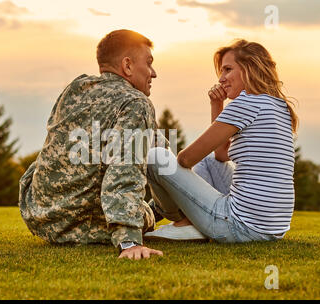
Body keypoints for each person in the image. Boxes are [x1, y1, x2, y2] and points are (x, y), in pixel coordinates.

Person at [19, 29, 165, 260]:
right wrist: (128, 241)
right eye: (148, 63)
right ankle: (163, 212)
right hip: (80, 227)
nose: (153, 73)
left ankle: (158, 209)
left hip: (41, 218)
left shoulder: (76, 88)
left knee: (158, 158)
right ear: (127, 66)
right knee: (146, 213)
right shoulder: (136, 102)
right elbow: (124, 170)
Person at [144, 39, 298, 243]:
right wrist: (216, 104)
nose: (222, 78)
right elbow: (221, 155)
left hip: (238, 226)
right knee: (209, 162)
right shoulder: (279, 106)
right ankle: (188, 222)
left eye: (228, 69)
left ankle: (183, 222)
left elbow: (186, 159)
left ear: (249, 68)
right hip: (271, 229)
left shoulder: (247, 102)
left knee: (157, 157)